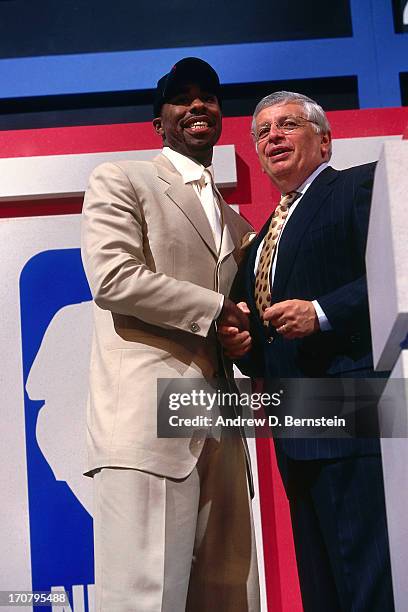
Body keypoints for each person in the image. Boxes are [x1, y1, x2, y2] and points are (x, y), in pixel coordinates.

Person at [81, 57, 259, 612]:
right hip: (149, 426)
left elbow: (248, 318)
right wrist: (217, 310)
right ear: (159, 122)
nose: (198, 105)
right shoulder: (123, 178)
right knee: (144, 600)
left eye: (208, 95)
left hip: (222, 435)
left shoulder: (238, 225)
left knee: (229, 599)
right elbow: (113, 277)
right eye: (182, 98)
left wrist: (243, 335)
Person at [219, 91, 394, 612]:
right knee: (322, 590)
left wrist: (319, 312)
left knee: (368, 584)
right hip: (295, 433)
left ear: (324, 141)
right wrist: (242, 345)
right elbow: (267, 342)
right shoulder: (258, 242)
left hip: (354, 417)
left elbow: (394, 277)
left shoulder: (359, 187)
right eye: (263, 131)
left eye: (287, 125)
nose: (273, 136)